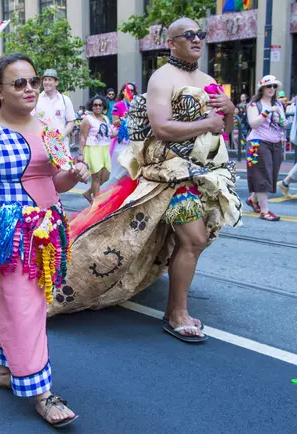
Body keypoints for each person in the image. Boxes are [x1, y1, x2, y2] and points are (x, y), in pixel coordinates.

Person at [70, 18, 241, 343]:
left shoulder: (207, 79)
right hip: (171, 177)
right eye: (188, 35)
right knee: (193, 240)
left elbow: (225, 129)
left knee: (192, 243)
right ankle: (176, 313)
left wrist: (230, 110)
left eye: (200, 35)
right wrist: (208, 122)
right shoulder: (162, 78)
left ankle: (176, 305)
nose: (197, 40)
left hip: (205, 175)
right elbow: (162, 127)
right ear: (171, 42)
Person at [0, 53, 89, 428]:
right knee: (24, 309)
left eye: (33, 81)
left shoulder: (47, 127)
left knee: (18, 306)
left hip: (46, 236)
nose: (30, 88)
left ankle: (3, 369)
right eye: (19, 83)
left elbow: (51, 182)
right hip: (6, 238)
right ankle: (43, 394)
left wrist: (74, 176)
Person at [243, 75, 287, 221]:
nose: (272, 89)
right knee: (262, 175)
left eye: (274, 86)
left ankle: (252, 199)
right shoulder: (254, 104)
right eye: (269, 86)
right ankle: (265, 211)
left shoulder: (279, 105)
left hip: (276, 143)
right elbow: (253, 123)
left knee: (271, 176)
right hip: (258, 143)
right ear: (262, 88)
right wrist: (266, 112)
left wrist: (280, 119)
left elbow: (284, 123)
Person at [79, 95, 113, 202]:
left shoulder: (106, 118)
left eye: (100, 105)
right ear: (91, 106)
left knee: (105, 176)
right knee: (96, 178)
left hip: (105, 149)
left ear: (103, 106)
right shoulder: (87, 119)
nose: (98, 107)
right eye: (95, 105)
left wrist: (123, 130)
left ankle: (88, 193)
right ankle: (96, 205)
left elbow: (109, 134)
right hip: (92, 149)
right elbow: (83, 137)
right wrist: (80, 154)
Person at [34, 69, 76, 151]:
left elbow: (71, 121)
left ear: (56, 82)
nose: (46, 82)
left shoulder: (65, 100)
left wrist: (62, 136)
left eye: (50, 80)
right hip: (41, 145)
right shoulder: (36, 99)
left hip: (61, 146)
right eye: (45, 80)